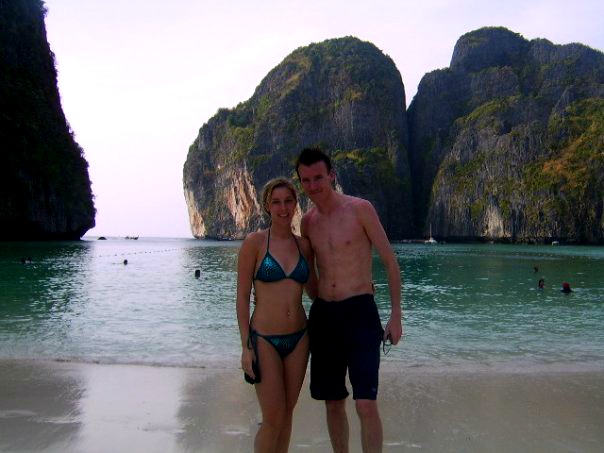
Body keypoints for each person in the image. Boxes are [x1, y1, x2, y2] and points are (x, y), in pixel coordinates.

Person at [296, 147, 403, 453]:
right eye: (306, 180)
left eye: (318, 177)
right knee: (332, 402)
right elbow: (309, 273)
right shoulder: (308, 222)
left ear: (331, 175)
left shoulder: (360, 209)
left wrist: (396, 316)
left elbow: (390, 263)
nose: (313, 185)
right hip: (324, 316)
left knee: (365, 403)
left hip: (360, 312)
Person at [236, 177, 317, 453]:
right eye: (276, 202)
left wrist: (354, 287)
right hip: (264, 340)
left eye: (288, 201)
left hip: (300, 338)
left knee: (287, 413)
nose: (283, 208)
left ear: (296, 204)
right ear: (267, 206)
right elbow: (242, 298)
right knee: (273, 418)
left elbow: (315, 291)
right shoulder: (254, 243)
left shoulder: (304, 246)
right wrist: (246, 346)